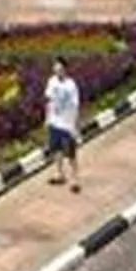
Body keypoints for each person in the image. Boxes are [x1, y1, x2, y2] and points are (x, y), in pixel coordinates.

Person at [43, 58, 83, 189]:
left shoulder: (71, 85)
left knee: (71, 153)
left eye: (60, 69)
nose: (57, 72)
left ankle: (75, 180)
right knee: (56, 149)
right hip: (54, 121)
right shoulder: (52, 81)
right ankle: (60, 174)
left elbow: (75, 106)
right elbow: (48, 101)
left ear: (65, 70)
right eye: (55, 69)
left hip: (67, 124)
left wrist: (76, 127)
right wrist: (47, 118)